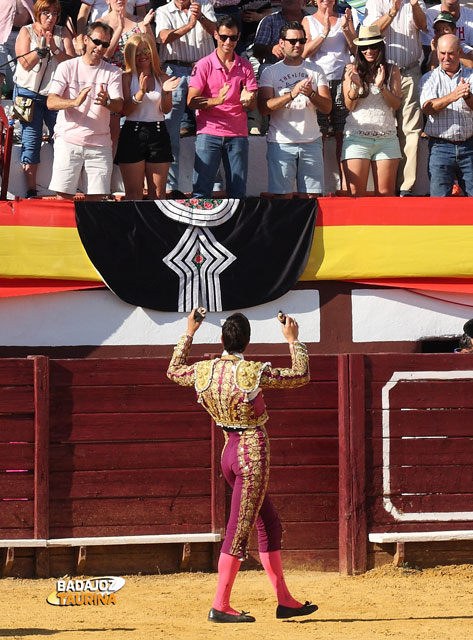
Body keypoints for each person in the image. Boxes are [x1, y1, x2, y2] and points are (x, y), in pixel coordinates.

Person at [167, 309, 317, 623]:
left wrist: (190, 332)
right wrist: (294, 340)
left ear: (222, 339)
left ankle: (285, 600)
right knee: (238, 531)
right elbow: (300, 375)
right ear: (247, 342)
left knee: (269, 524)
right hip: (251, 456)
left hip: (228, 453)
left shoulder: (204, 370)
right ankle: (220, 604)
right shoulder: (251, 372)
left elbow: (174, 370)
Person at [47, 21, 124, 200]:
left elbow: (119, 105)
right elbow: (51, 102)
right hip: (68, 141)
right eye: (96, 42)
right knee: (63, 200)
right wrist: (74, 101)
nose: (100, 47)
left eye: (105, 44)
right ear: (85, 40)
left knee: (95, 204)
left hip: (99, 145)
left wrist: (107, 102)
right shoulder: (67, 67)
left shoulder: (113, 72)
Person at [258, 21, 331, 198]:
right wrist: (291, 94)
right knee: (282, 198)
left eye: (301, 41)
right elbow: (263, 108)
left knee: (312, 198)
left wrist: (311, 94)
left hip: (311, 140)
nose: (297, 45)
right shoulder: (270, 71)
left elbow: (327, 107)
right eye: (292, 41)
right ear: (281, 43)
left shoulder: (316, 69)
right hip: (281, 142)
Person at [188, 14, 257, 198]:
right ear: (216, 35)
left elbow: (253, 103)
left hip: (237, 133)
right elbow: (191, 100)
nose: (228, 41)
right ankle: (199, 227)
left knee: (238, 192)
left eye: (233, 38)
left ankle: (237, 227)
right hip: (209, 131)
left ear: (238, 37)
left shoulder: (245, 66)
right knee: (201, 191)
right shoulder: (204, 64)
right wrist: (216, 101)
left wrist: (249, 99)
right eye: (224, 37)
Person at [364, 0, 427, 197]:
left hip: (410, 71)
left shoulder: (416, 1)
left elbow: (424, 25)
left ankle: (406, 187)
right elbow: (372, 32)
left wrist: (415, 6)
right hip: (384, 72)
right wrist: (392, 11)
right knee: (384, 128)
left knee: (411, 130)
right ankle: (386, 188)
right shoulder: (374, 2)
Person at [15, 0, 75, 198]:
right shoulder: (26, 31)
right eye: (46, 13)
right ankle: (31, 190)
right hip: (27, 93)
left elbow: (72, 62)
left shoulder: (62, 32)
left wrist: (53, 48)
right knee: (30, 140)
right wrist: (40, 50)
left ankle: (63, 188)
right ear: (38, 13)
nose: (51, 17)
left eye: (55, 13)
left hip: (54, 96)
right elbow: (24, 64)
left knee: (63, 140)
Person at [155, 0, 216, 193]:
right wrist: (190, 24)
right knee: (170, 131)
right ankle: (171, 186)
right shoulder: (163, 10)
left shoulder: (204, 5)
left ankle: (212, 186)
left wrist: (201, 18)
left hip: (204, 70)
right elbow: (164, 37)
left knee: (211, 132)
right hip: (174, 70)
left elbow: (217, 32)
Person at [116, 33, 179, 199]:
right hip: (133, 131)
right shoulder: (127, 78)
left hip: (158, 131)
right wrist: (140, 93)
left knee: (158, 194)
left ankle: (156, 225)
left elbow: (165, 110)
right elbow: (126, 110)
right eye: (137, 53)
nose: (142, 56)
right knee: (133, 193)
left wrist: (165, 92)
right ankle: (133, 225)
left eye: (146, 51)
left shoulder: (163, 77)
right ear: (130, 55)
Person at [341, 24, 402, 196]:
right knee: (356, 196)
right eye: (365, 47)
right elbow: (349, 105)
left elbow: (396, 105)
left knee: (385, 196)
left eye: (374, 46)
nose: (369, 50)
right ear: (359, 49)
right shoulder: (350, 70)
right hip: (356, 138)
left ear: (380, 48)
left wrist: (381, 86)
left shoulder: (392, 70)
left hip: (387, 138)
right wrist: (357, 86)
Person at [302, 0, 356, 191]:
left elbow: (356, 50)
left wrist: (347, 29)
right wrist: (324, 31)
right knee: (319, 135)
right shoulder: (308, 20)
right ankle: (318, 188)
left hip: (342, 81)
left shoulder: (344, 18)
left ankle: (345, 187)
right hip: (318, 82)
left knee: (344, 134)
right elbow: (304, 52)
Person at [420, 34, 473, 197]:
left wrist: (468, 97)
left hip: (468, 146)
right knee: (439, 202)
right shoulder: (429, 78)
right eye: (442, 53)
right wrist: (454, 95)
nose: (446, 57)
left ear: (459, 52)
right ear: (437, 53)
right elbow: (427, 109)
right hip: (440, 147)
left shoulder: (471, 75)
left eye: (450, 53)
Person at [75, 0, 149, 54]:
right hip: (99, 33)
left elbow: (141, 12)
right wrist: (80, 39)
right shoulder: (100, 21)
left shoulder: (138, 22)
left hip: (129, 28)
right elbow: (84, 10)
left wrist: (142, 26)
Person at [253, 0, 308, 65]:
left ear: (305, 1)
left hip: (308, 68)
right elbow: (256, 50)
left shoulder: (312, 21)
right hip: (275, 68)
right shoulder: (269, 21)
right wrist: (271, 49)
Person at [0, 0, 34, 97]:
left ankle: (18, 104)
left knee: (24, 74)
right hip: (2, 34)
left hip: (24, 33)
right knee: (0, 74)